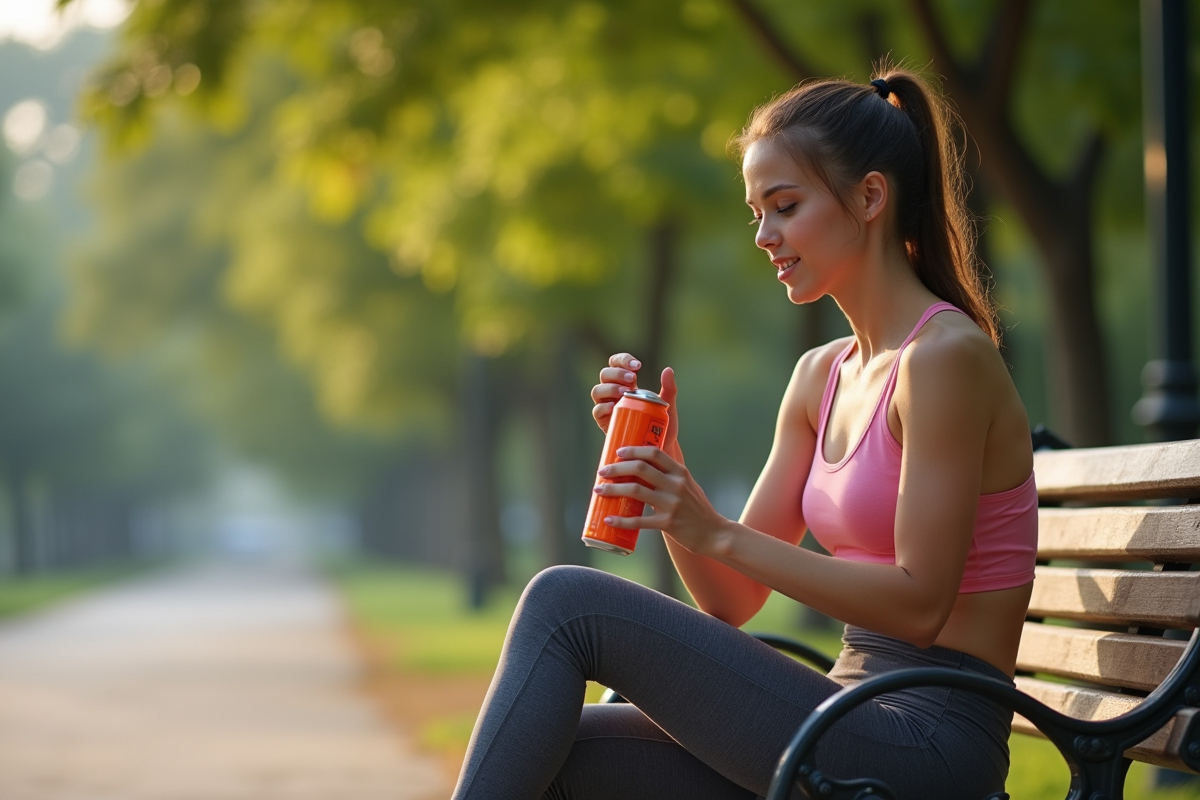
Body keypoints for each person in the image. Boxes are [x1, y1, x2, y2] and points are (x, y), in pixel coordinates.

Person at [450, 67, 1037, 800]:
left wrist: (718, 531)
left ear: (870, 197)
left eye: (785, 207)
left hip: (929, 739)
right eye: (756, 213)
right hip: (848, 708)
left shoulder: (944, 360)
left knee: (568, 602)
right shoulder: (820, 375)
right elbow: (730, 602)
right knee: (550, 750)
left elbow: (921, 604)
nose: (765, 235)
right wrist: (670, 474)